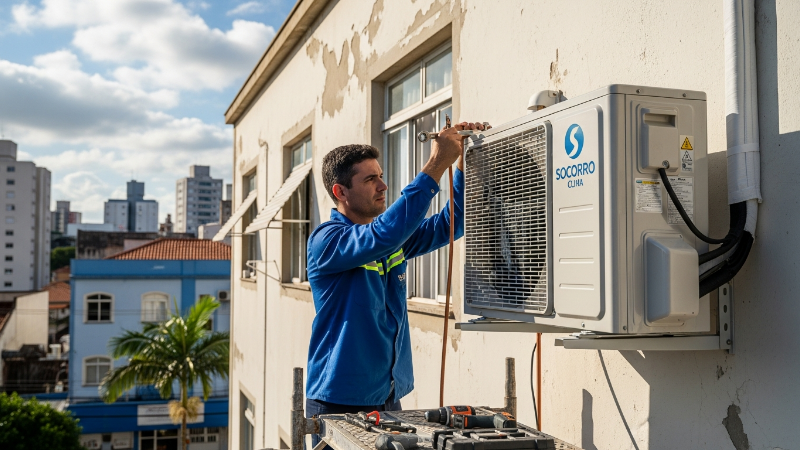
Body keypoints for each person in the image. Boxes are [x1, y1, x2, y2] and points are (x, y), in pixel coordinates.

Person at [304, 121, 488, 447]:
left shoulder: (389, 240)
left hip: (388, 398)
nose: (383, 185)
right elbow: (384, 233)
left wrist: (462, 164)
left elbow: (451, 224)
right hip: (338, 402)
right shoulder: (327, 241)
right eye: (370, 178)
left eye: (381, 175)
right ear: (340, 192)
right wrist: (435, 165)